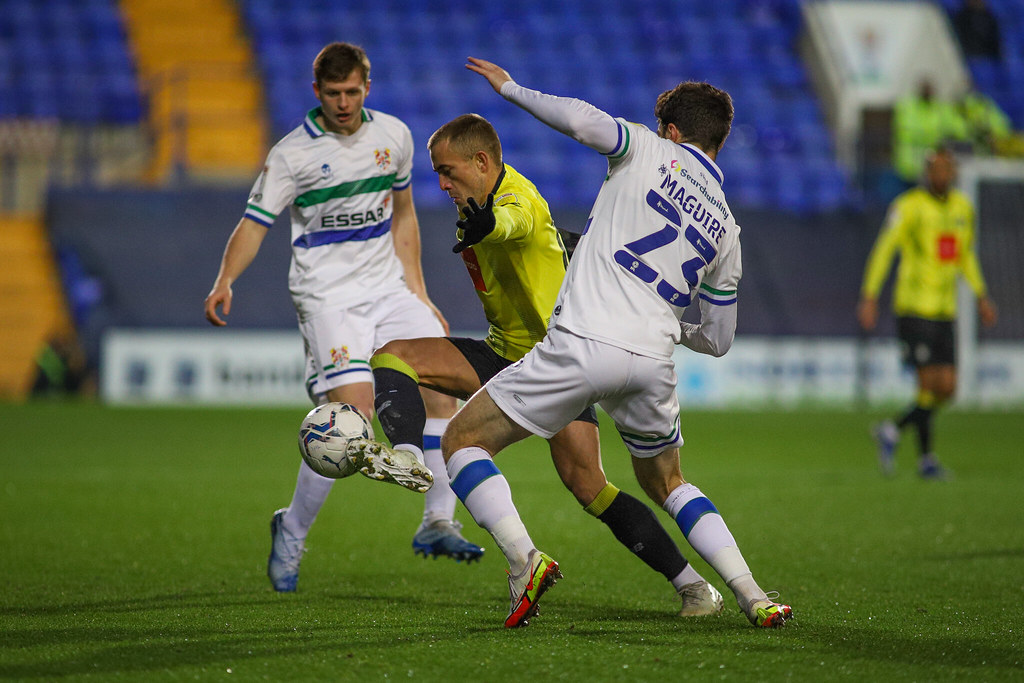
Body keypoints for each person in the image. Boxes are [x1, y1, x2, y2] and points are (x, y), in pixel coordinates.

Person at [436, 57, 791, 628]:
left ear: (671, 132)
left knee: (461, 441)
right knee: (668, 482)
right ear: (717, 141)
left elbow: (582, 122)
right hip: (653, 359)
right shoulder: (727, 227)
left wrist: (512, 88)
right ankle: (753, 594)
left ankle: (524, 560)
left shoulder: (646, 150)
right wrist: (674, 326)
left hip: (583, 342)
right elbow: (719, 340)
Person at [356, 113, 724, 621]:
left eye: (448, 171)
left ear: (482, 162)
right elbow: (548, 237)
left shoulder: (514, 200)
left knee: (587, 483)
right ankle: (406, 456)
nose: (441, 183)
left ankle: (689, 583)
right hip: (504, 351)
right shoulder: (483, 201)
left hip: (554, 362)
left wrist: (491, 223)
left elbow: (517, 220)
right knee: (393, 355)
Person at [203, 42, 477, 593]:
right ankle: (293, 531)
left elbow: (403, 216)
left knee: (445, 388)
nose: (344, 102)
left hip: (388, 287)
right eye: (334, 94)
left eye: (353, 92)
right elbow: (255, 223)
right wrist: (224, 279)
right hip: (327, 295)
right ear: (317, 93)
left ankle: (437, 522)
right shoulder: (291, 155)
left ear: (366, 89)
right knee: (350, 417)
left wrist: (418, 293)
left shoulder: (393, 137)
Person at [858, 148, 997, 479]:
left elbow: (965, 256)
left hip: (945, 310)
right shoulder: (908, 207)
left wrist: (980, 294)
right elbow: (884, 250)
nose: (940, 175)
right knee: (926, 384)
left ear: (953, 174)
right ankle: (927, 461)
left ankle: (892, 430)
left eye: (945, 170)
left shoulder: (963, 209)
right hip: (914, 307)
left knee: (947, 388)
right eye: (934, 170)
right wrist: (870, 294)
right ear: (926, 173)